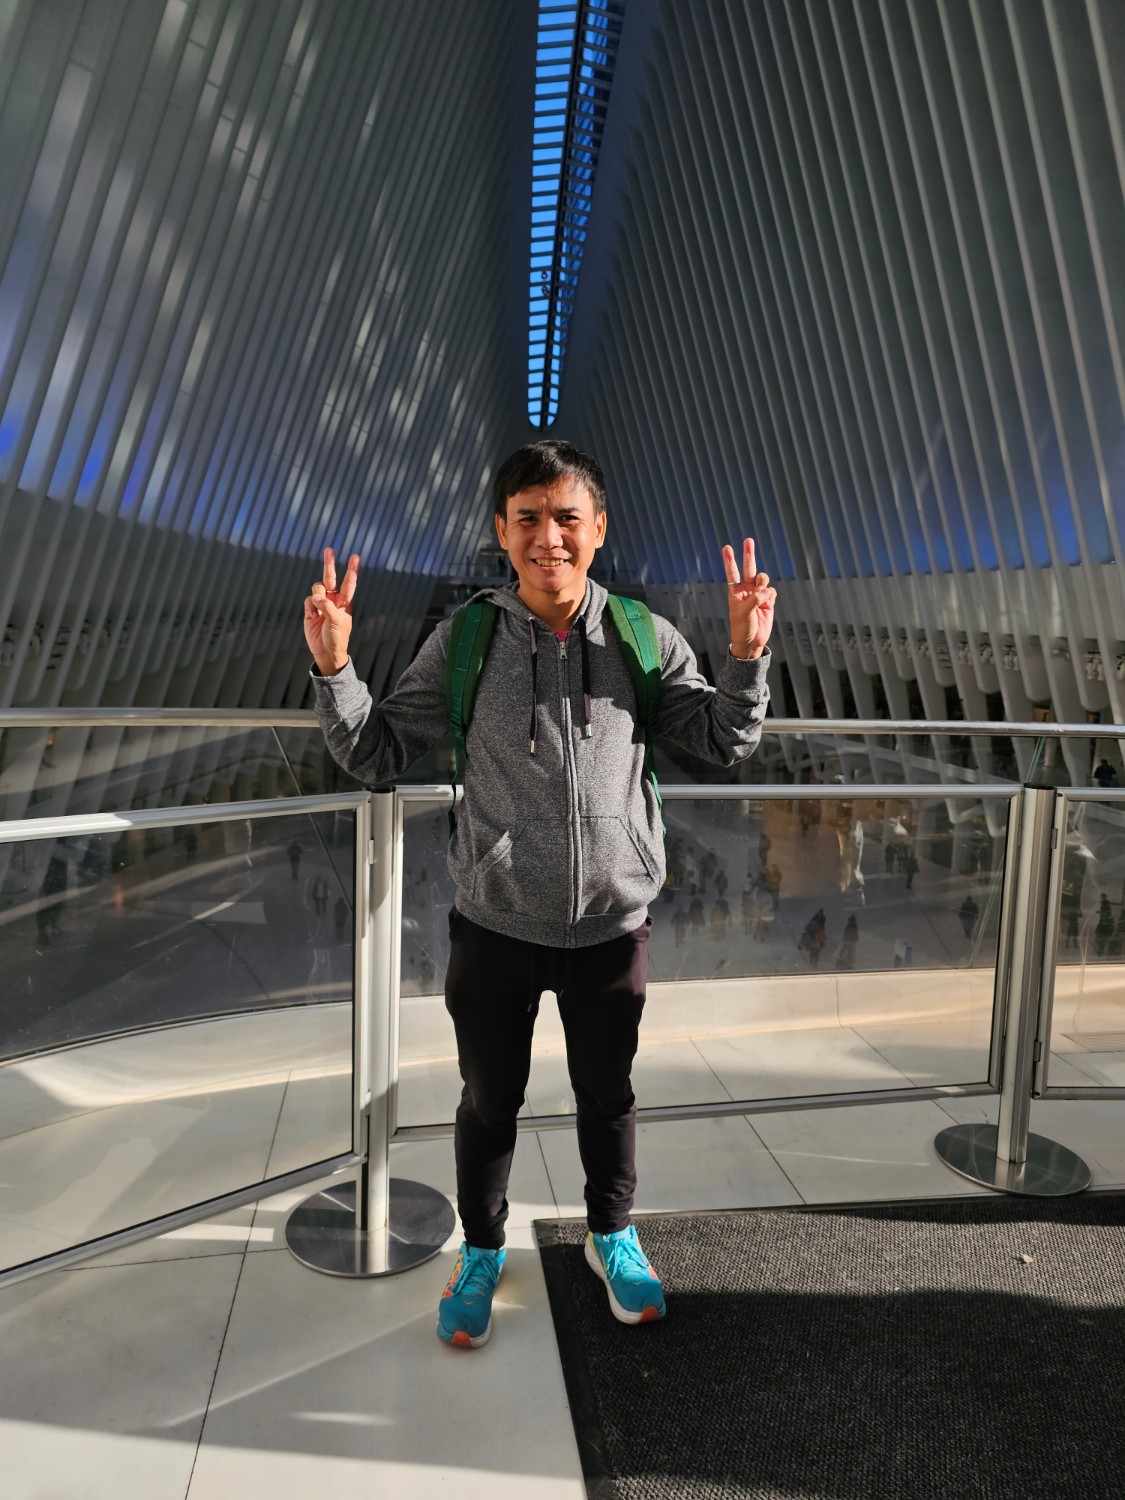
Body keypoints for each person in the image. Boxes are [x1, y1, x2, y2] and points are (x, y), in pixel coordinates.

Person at [304, 440, 776, 1349]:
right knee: (489, 1101)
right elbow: (376, 752)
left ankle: (611, 1235)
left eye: (566, 518)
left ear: (597, 530)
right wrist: (335, 670)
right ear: (501, 531)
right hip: (495, 924)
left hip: (610, 926)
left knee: (608, 1094)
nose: (547, 536)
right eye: (528, 518)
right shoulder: (467, 641)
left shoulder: (641, 636)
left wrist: (746, 655)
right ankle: (482, 1249)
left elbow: (723, 742)